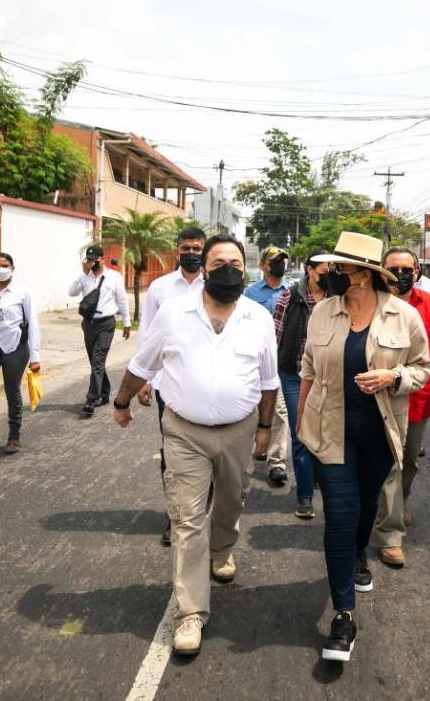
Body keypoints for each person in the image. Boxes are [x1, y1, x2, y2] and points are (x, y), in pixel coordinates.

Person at [112, 234, 278, 656]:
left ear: (247, 270)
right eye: (219, 261)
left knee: (232, 499)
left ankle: (222, 548)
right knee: (186, 518)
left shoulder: (258, 317)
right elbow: (141, 364)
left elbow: (268, 381)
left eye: (236, 263)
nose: (228, 269)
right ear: (203, 267)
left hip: (240, 430)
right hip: (184, 431)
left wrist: (263, 429)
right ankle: (190, 613)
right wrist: (122, 400)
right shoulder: (173, 312)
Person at [297, 232, 430, 662]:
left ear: (362, 274)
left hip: (379, 431)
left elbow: (422, 369)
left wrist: (392, 378)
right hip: (329, 430)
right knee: (339, 514)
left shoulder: (404, 316)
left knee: (366, 504)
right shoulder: (322, 312)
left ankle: (359, 552)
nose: (330, 274)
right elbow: (307, 369)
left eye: (340, 267)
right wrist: (299, 426)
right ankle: (344, 616)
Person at [371, 246, 430, 567]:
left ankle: (396, 503)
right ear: (382, 270)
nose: (401, 273)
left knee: (408, 462)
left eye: (407, 268)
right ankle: (390, 535)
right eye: (394, 267)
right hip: (376, 397)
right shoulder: (370, 302)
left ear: (418, 272)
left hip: (418, 399)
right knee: (388, 462)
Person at [139, 226, 207, 546]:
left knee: (211, 451)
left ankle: (204, 513)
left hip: (210, 384)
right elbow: (147, 335)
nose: (192, 253)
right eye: (187, 248)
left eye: (198, 248)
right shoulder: (160, 288)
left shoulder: (217, 285)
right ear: (176, 251)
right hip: (170, 385)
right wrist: (144, 379)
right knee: (173, 452)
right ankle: (175, 514)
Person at [273, 256, 330, 520]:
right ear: (309, 270)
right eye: (322, 270)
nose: (327, 274)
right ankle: (305, 496)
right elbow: (276, 335)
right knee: (300, 432)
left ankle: (318, 475)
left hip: (327, 377)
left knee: (324, 431)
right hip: (294, 375)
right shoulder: (290, 297)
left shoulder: (336, 297)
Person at [0, 253, 42, 461]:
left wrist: (35, 356)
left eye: (5, 265)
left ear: (12, 268)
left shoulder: (23, 292)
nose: (1, 268)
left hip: (15, 347)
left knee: (12, 391)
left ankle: (13, 436)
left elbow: (33, 323)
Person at [244, 245, 292, 486]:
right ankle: (255, 448)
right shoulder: (249, 294)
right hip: (253, 362)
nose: (280, 265)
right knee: (251, 409)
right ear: (263, 266)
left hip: (281, 362)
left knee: (280, 411)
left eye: (282, 261)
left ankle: (277, 463)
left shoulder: (292, 292)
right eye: (274, 261)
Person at [68, 244, 130, 419]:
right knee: (95, 362)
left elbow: (122, 300)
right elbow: (71, 292)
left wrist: (126, 323)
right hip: (88, 324)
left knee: (97, 360)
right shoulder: (85, 278)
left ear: (102, 259)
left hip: (106, 325)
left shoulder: (114, 277)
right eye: (88, 259)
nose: (90, 262)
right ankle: (104, 392)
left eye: (93, 259)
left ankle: (91, 399)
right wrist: (83, 274)